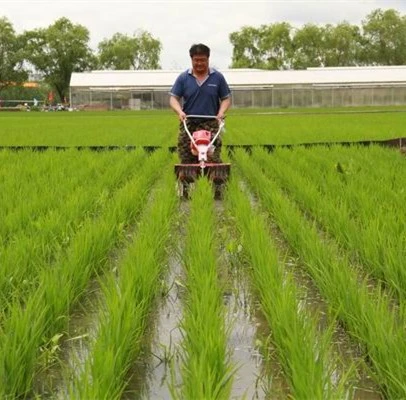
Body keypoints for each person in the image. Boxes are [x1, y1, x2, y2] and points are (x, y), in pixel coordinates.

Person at [169, 43, 231, 163]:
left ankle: (214, 179)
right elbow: (173, 98)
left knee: (212, 158)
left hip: (211, 123)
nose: (199, 63)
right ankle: (186, 180)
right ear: (191, 59)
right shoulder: (183, 78)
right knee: (186, 157)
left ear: (208, 59)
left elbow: (226, 98)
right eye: (196, 60)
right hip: (189, 122)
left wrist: (221, 112)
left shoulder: (217, 77)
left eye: (203, 60)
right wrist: (179, 112)